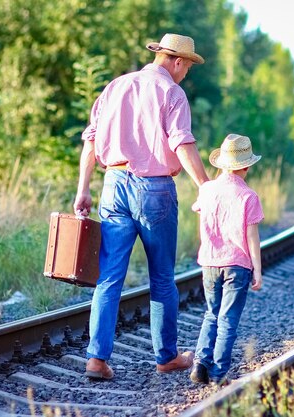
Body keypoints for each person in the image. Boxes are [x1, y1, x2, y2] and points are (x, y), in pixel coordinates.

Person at [73, 33, 210, 380]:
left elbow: (90, 141)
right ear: (177, 62)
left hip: (113, 186)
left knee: (109, 277)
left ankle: (96, 360)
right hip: (154, 190)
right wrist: (206, 188)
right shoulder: (172, 93)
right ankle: (166, 357)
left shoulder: (115, 87)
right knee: (162, 278)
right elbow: (181, 143)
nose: (185, 74)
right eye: (187, 67)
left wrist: (82, 189)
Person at [189, 133, 264, 385]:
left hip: (209, 262)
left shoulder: (207, 189)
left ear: (221, 163)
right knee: (228, 320)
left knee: (211, 314)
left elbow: (203, 218)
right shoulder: (248, 196)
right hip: (237, 264)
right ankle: (219, 373)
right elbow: (252, 236)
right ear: (246, 166)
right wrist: (258, 269)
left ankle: (200, 364)